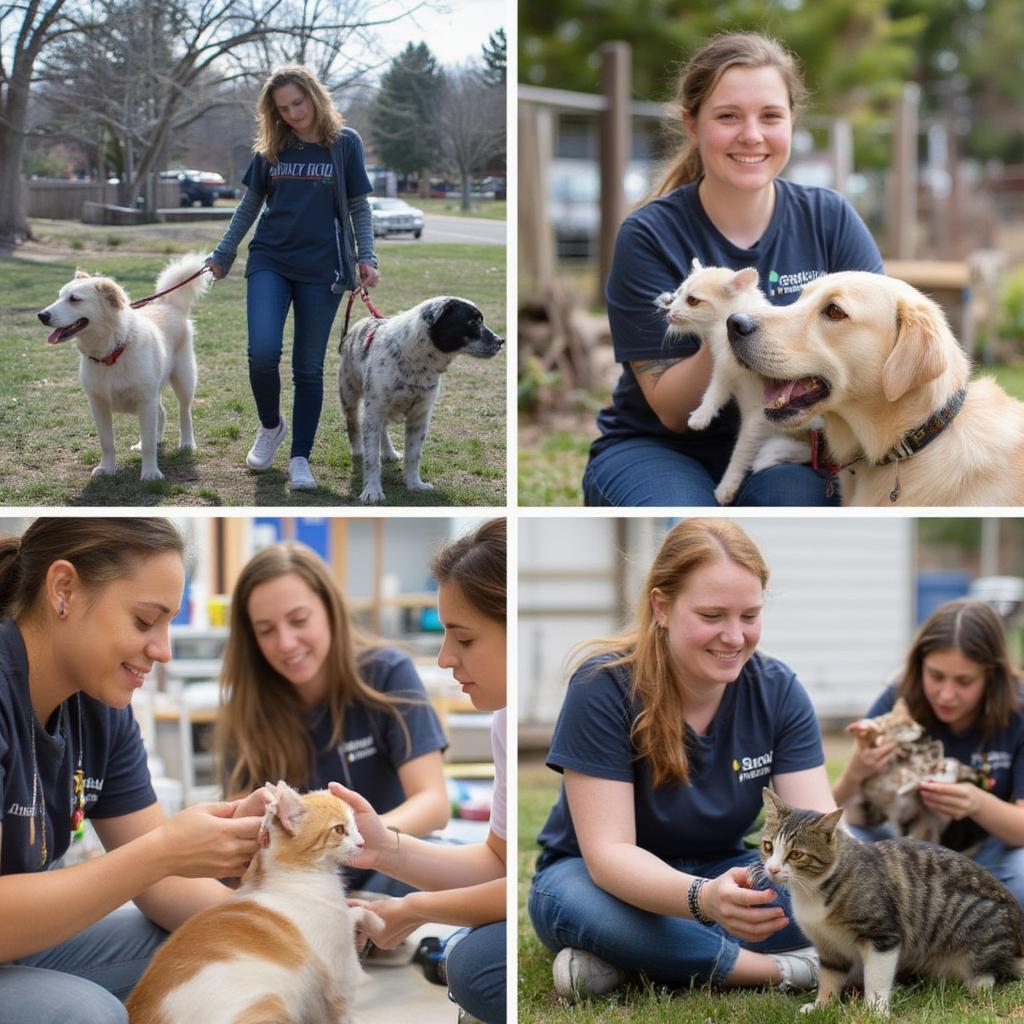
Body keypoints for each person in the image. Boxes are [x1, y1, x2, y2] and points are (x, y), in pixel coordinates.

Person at [528, 518, 836, 1002]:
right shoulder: (602, 687)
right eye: (712, 616)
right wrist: (702, 900)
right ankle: (785, 971)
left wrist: (724, 895)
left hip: (730, 871)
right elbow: (609, 856)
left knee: (832, 883)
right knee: (583, 908)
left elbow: (823, 838)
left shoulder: (778, 690)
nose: (734, 637)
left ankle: (627, 964)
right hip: (597, 880)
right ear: (662, 607)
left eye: (749, 615)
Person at [583, 32, 884, 507]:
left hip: (790, 445)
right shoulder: (647, 234)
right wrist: (732, 321)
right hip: (662, 446)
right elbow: (673, 412)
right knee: (689, 523)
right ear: (692, 125)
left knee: (792, 511)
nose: (751, 135)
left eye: (770, 116)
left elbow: (878, 353)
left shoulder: (830, 218)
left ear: (791, 122)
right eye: (728, 116)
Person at [0, 518, 270, 1024]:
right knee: (87, 1014)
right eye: (146, 622)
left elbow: (162, 886)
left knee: (221, 947)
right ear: (64, 590)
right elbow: (152, 862)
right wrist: (165, 851)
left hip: (18, 948)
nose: (162, 651)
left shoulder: (100, 705)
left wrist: (298, 925)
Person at [333, 518, 507, 1024]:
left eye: (465, 639)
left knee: (470, 963)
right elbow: (498, 861)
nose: (445, 658)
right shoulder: (501, 718)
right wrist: (384, 848)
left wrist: (414, 910)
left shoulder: (386, 672)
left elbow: (517, 882)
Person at [215, 539, 450, 897]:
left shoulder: (387, 674)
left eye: (298, 620)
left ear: (330, 609)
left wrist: (360, 842)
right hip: (299, 885)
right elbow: (241, 839)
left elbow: (433, 803)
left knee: (429, 862)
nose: (286, 643)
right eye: (266, 631)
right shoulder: (246, 707)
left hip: (384, 870)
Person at [206, 64, 379, 492]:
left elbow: (358, 206)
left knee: (308, 367)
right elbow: (249, 206)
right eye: (283, 108)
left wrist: (367, 256)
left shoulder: (344, 144)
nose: (293, 113)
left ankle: (301, 456)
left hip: (324, 268)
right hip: (270, 259)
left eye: (298, 103)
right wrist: (225, 252)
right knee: (262, 352)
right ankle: (271, 426)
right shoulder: (272, 148)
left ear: (315, 97)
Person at [833, 598, 1024, 906]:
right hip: (900, 850)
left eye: (964, 681)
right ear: (919, 664)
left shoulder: (1018, 711)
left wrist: (977, 803)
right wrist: (856, 772)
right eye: (936, 676)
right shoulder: (899, 698)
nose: (947, 695)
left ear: (992, 676)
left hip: (988, 853)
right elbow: (824, 809)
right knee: (839, 855)